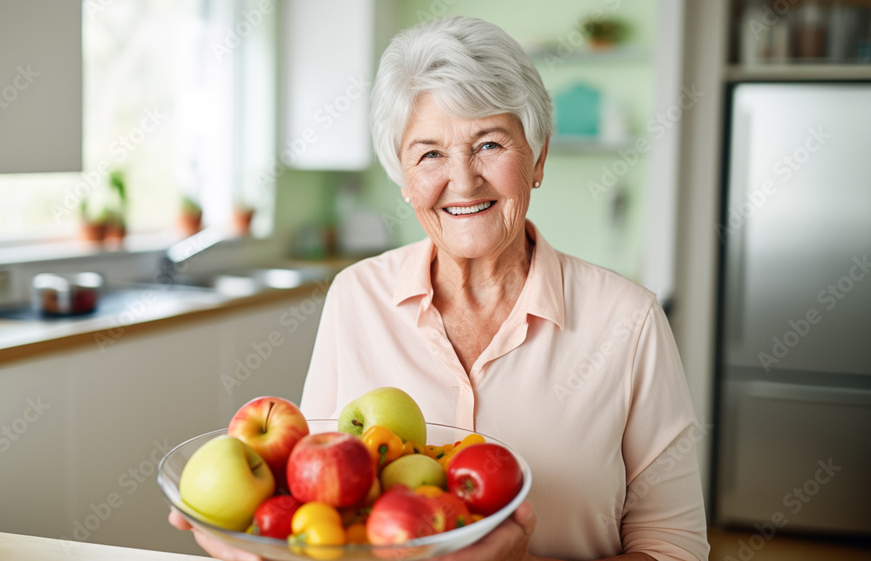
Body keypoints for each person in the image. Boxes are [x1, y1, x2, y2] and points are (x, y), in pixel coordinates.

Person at [170, 16, 709, 561]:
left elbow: (675, 548)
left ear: (538, 157)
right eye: (430, 153)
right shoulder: (356, 297)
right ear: (403, 179)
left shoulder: (630, 321)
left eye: (490, 144)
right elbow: (318, 505)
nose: (464, 179)